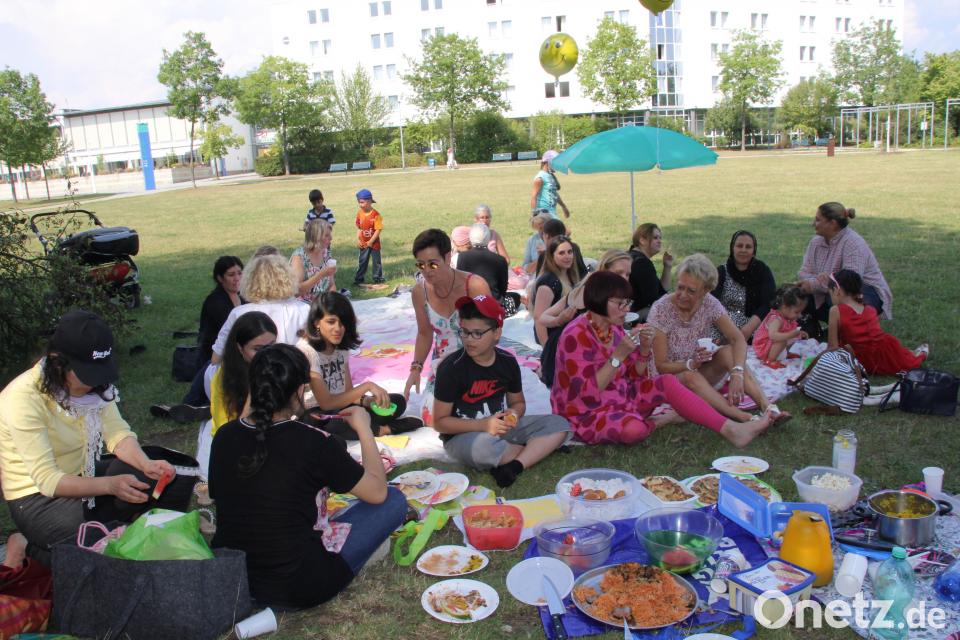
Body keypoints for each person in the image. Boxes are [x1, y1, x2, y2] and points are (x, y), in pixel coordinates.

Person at [209, 344, 406, 610]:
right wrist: (364, 429)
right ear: (301, 391)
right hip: (301, 585)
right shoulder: (314, 442)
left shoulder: (224, 436)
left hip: (236, 578)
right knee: (394, 500)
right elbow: (378, 492)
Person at [0, 310, 182, 565]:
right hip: (36, 497)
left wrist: (145, 463)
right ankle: (28, 545)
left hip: (82, 474)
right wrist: (109, 485)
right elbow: (48, 480)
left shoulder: (97, 388)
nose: (94, 383)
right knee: (97, 546)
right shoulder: (22, 398)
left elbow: (117, 432)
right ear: (57, 361)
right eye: (87, 373)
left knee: (149, 479)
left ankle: (113, 533)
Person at [550, 272, 773, 447]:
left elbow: (635, 376)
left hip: (620, 397)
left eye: (627, 303)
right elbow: (587, 394)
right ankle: (659, 421)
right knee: (634, 431)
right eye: (621, 304)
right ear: (600, 301)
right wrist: (618, 356)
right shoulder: (575, 335)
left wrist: (644, 350)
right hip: (585, 412)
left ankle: (731, 429)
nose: (627, 310)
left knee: (667, 382)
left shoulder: (613, 328)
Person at [433, 295, 571, 488]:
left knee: (559, 424)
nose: (469, 340)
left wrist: (513, 414)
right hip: (463, 436)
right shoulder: (451, 368)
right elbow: (440, 422)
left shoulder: (507, 361)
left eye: (477, 333)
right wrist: (482, 425)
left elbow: (518, 403)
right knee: (483, 448)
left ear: (497, 332)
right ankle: (533, 450)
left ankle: (515, 465)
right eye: (464, 332)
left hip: (501, 428)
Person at [649, 254, 787, 424]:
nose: (682, 295)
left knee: (728, 352)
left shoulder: (709, 303)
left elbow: (737, 339)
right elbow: (660, 366)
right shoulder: (661, 310)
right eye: (680, 287)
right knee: (689, 375)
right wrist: (690, 364)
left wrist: (737, 373)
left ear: (705, 290)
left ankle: (768, 408)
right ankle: (744, 417)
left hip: (696, 371)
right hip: (665, 380)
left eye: (691, 290)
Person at [297, 292, 422, 437]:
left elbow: (348, 393)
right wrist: (367, 386)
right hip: (317, 413)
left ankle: (367, 426)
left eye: (343, 323)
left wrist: (367, 401)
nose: (338, 328)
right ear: (316, 323)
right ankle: (384, 429)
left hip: (341, 407)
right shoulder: (308, 351)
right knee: (332, 425)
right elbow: (326, 403)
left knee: (396, 401)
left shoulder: (340, 345)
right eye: (331, 322)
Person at [403, 229, 491, 414]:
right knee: (432, 414)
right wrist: (416, 369)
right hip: (444, 364)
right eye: (420, 265)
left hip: (478, 359)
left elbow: (491, 330)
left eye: (433, 264)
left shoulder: (474, 285)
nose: (426, 271)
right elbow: (424, 333)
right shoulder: (419, 292)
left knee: (475, 413)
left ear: (448, 257)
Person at [538, 249, 632, 388]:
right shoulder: (590, 295)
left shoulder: (611, 296)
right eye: (619, 273)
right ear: (604, 270)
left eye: (628, 274)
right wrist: (559, 320)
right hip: (566, 355)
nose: (624, 278)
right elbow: (542, 317)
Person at [798, 201, 893, 321]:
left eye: (817, 220)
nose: (813, 224)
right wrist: (811, 284)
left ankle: (855, 329)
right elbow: (804, 272)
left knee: (838, 299)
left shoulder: (853, 242)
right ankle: (810, 329)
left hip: (864, 290)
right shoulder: (816, 242)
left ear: (832, 223)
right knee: (795, 296)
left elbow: (850, 283)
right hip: (831, 288)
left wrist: (814, 284)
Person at [211, 254, 309, 364]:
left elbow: (216, 358)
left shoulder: (239, 313)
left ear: (250, 280)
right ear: (287, 278)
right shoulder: (303, 309)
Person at [827, 270, 927, 375]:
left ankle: (915, 352)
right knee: (903, 354)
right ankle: (918, 352)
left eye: (830, 294)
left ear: (836, 291)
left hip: (856, 359)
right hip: (881, 356)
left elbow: (832, 347)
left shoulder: (835, 310)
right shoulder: (870, 309)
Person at [210, 312, 278, 437]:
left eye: (272, 345)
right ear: (240, 348)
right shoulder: (224, 378)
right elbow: (230, 434)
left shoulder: (279, 366)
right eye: (257, 349)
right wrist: (254, 392)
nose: (267, 353)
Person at [712, 230, 777, 342]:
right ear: (732, 248)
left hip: (754, 325)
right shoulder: (721, 272)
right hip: (724, 326)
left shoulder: (762, 271)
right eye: (739, 246)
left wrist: (748, 329)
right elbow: (712, 304)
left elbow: (768, 303)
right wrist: (730, 331)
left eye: (748, 247)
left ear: (754, 251)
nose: (743, 250)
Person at [532, 236, 582, 345]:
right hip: (553, 336)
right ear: (551, 256)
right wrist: (546, 347)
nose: (567, 256)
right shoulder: (549, 282)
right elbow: (538, 318)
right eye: (561, 253)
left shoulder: (570, 275)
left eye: (570, 252)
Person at [198, 256, 245, 364]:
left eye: (239, 273)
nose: (237, 278)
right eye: (231, 275)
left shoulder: (243, 297)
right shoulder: (215, 302)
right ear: (220, 278)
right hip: (215, 356)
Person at [752, 285, 809, 369]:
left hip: (772, 345)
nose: (800, 315)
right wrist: (791, 334)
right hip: (763, 347)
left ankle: (784, 353)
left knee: (790, 337)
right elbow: (773, 336)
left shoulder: (787, 318)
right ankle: (770, 360)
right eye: (797, 312)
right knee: (783, 340)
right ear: (784, 307)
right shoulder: (776, 319)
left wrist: (798, 334)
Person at [628, 223, 673, 319]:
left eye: (660, 238)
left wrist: (667, 266)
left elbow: (661, 291)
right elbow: (656, 301)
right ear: (642, 240)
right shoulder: (642, 263)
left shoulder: (631, 255)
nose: (659, 241)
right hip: (633, 316)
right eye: (655, 238)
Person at [457, 224, 509, 305]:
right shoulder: (500, 260)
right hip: (494, 303)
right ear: (488, 238)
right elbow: (503, 289)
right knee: (516, 297)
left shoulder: (462, 257)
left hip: (471, 303)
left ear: (471, 238)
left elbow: (460, 282)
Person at [291, 219, 337, 304]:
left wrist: (332, 301)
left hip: (322, 304)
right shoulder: (299, 257)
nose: (331, 238)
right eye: (326, 235)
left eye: (330, 234)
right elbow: (297, 291)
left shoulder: (325, 253)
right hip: (303, 305)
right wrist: (321, 274)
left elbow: (331, 285)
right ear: (316, 237)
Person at [353, 188, 384, 286]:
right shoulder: (359, 213)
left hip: (374, 244)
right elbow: (359, 228)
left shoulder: (376, 215)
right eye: (359, 202)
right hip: (364, 243)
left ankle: (378, 278)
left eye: (362, 202)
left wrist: (371, 241)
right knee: (362, 261)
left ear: (370, 201)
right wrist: (358, 239)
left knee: (376, 262)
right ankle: (359, 279)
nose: (360, 204)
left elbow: (378, 230)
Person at [531, 150, 570, 219]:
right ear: (547, 162)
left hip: (552, 212)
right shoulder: (540, 178)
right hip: (543, 213)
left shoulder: (550, 176)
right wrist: (535, 215)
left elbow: (554, 193)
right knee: (560, 226)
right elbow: (534, 197)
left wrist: (563, 206)